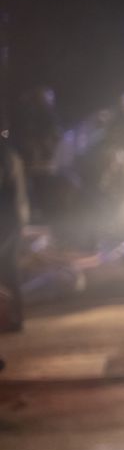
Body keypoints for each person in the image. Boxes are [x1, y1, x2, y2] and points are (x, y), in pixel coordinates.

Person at [0, 132, 28, 332]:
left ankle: (12, 317)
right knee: (10, 269)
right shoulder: (9, 151)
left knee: (8, 269)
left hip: (6, 219)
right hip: (14, 218)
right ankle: (15, 318)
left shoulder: (3, 153)